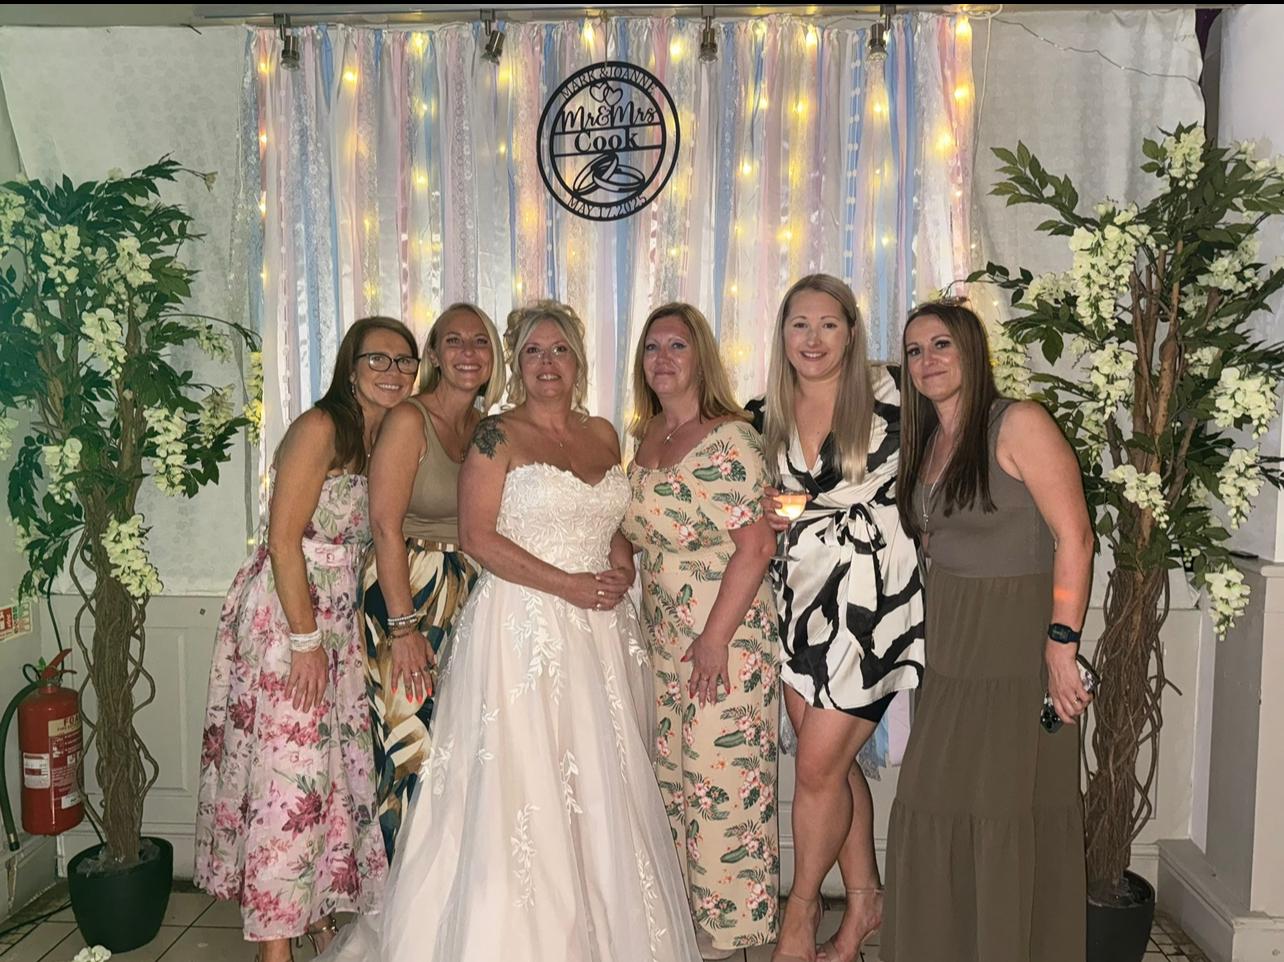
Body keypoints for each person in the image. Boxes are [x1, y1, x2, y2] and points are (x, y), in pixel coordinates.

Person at [321, 300, 700, 962]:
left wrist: (615, 568)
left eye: (558, 350)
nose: (546, 363)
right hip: (523, 626)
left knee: (599, 790)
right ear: (514, 364)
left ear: (578, 360)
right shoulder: (495, 436)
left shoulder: (605, 434)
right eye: (531, 351)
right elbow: (478, 537)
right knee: (524, 788)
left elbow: (610, 522)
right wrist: (571, 587)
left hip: (602, 633)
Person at [196, 317, 419, 961]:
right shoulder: (320, 428)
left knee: (325, 783)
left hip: (335, 619)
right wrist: (303, 640)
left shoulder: (384, 436)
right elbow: (282, 538)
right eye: (378, 359)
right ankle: (274, 949)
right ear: (349, 367)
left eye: (405, 362)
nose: (393, 372)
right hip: (287, 618)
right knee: (286, 779)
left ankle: (307, 915)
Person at [882, 300, 1093, 962]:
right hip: (949, 653)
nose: (928, 361)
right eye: (914, 351)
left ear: (974, 352)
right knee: (934, 806)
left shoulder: (1018, 422)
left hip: (1013, 653)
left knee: (1006, 816)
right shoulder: (929, 440)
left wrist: (1061, 649)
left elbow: (1077, 538)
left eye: (942, 344)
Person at [745, 274, 924, 962]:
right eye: (799, 325)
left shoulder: (899, 398)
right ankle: (866, 903)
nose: (813, 339)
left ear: (852, 330)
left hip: (874, 606)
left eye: (828, 324)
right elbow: (755, 502)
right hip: (798, 601)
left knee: (818, 767)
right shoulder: (764, 413)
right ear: (782, 335)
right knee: (837, 768)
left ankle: (802, 913)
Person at [621, 302, 780, 959]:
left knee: (724, 793)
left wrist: (714, 640)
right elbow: (634, 535)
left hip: (726, 640)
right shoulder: (648, 437)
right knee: (676, 791)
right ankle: (686, 928)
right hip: (666, 641)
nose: (663, 358)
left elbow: (757, 548)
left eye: (677, 346)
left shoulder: (730, 438)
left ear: (700, 358)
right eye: (652, 347)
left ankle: (729, 939)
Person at [361, 303, 504, 859]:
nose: (468, 353)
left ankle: (445, 900)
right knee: (410, 749)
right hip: (411, 587)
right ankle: (402, 907)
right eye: (454, 342)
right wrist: (404, 627)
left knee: (458, 750)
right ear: (435, 356)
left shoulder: (487, 428)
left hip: (468, 591)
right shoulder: (408, 420)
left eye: (480, 342)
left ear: (493, 357)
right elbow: (383, 524)